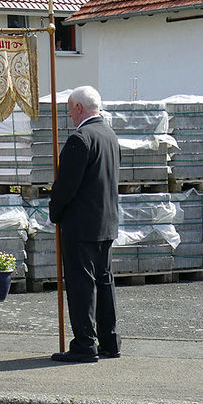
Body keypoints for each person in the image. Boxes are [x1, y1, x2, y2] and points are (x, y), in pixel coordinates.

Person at [49, 86, 121, 362]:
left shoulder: (81, 138)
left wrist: (54, 211)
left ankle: (84, 344)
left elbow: (66, 186)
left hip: (81, 224)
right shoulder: (109, 135)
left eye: (70, 109)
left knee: (81, 286)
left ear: (79, 108)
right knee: (104, 282)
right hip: (106, 221)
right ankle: (109, 341)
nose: (69, 114)